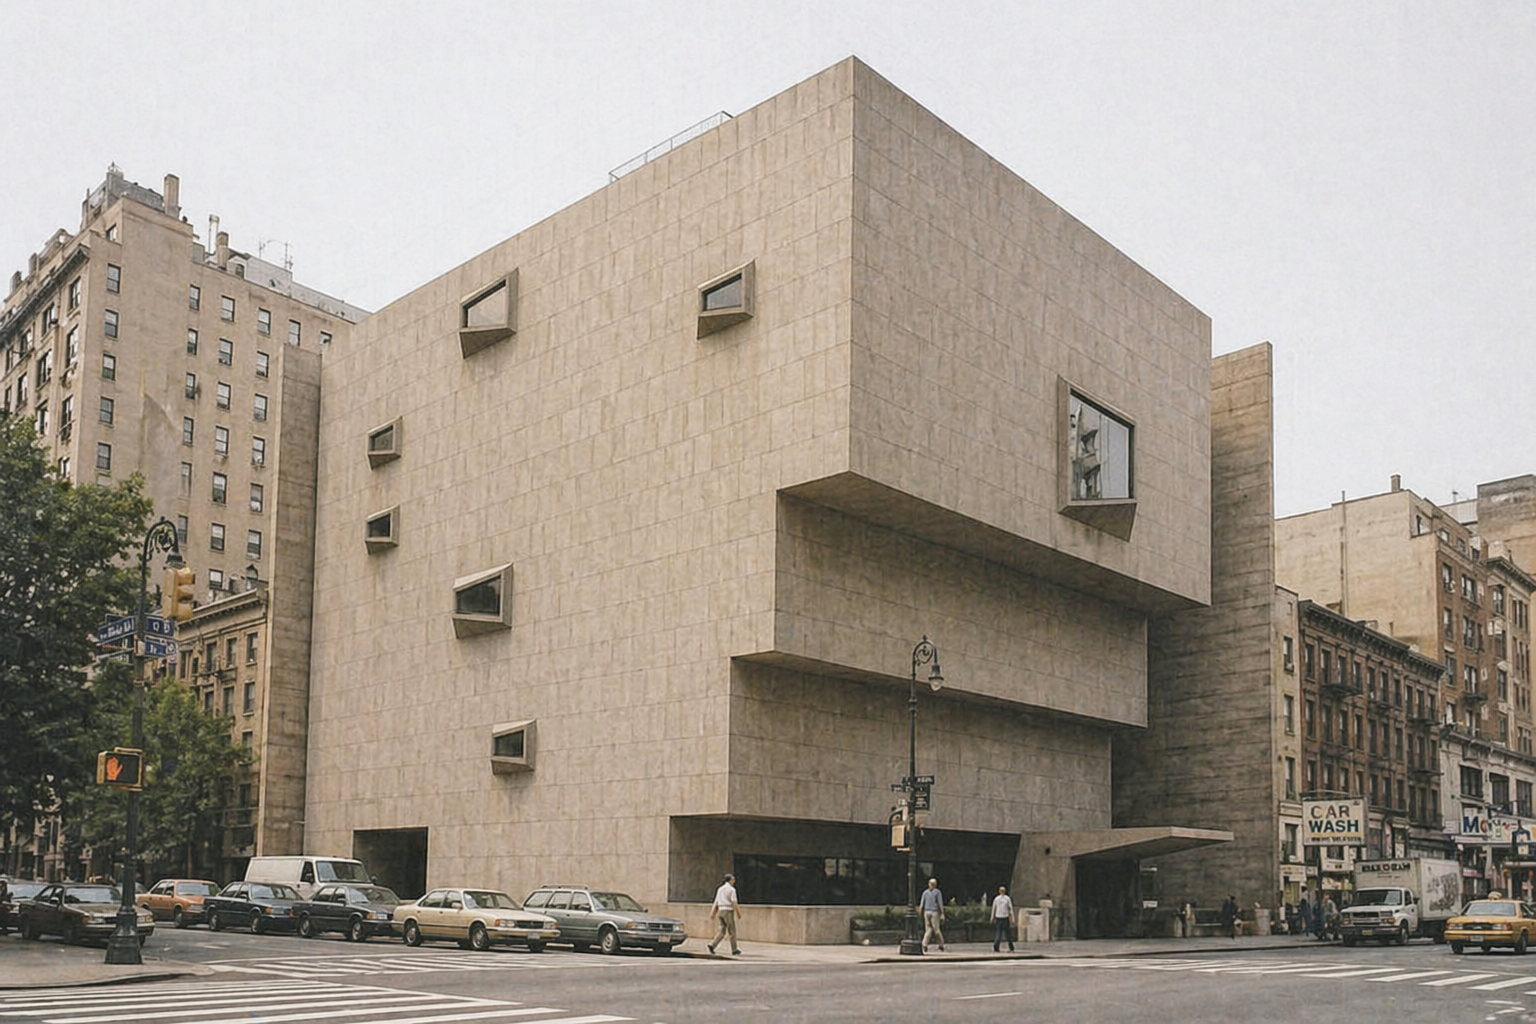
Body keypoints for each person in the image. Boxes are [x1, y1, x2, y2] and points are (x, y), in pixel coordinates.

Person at [707, 873, 742, 955]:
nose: (734, 881)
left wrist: (713, 913)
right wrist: (738, 913)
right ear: (730, 880)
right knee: (732, 931)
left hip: (721, 910)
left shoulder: (720, 889)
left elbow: (716, 901)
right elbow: (734, 902)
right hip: (728, 911)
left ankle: (712, 945)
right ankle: (734, 949)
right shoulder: (732, 890)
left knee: (722, 931)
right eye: (733, 880)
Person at [920, 878, 946, 952]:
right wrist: (921, 910)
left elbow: (940, 903)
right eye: (931, 883)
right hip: (927, 911)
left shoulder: (937, 892)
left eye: (933, 884)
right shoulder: (925, 892)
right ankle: (924, 944)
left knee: (936, 929)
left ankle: (941, 944)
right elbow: (922, 902)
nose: (931, 885)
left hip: (934, 912)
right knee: (928, 929)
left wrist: (942, 913)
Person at [991, 885, 1015, 952]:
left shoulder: (996, 899)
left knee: (999, 932)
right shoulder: (1007, 899)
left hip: (999, 917)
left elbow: (994, 908)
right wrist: (1012, 917)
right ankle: (1011, 947)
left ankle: (996, 946)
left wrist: (992, 917)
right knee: (1008, 934)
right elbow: (1010, 909)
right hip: (1005, 917)